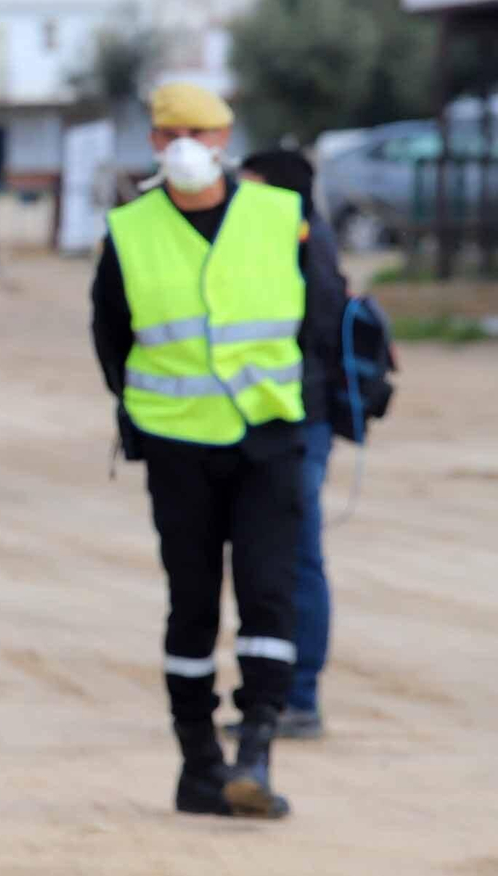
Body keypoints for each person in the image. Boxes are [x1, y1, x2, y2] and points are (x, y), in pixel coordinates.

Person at [89, 82, 341, 820]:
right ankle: (198, 761)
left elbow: (318, 320)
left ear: (227, 136)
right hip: (177, 444)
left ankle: (257, 747)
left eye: (201, 130)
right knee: (192, 602)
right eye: (171, 133)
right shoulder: (130, 229)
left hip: (269, 437)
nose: (186, 145)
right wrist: (143, 408)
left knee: (268, 591)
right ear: (155, 143)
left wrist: (304, 412)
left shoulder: (281, 216)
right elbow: (112, 335)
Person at [232, 149, 349, 740]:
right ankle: (279, 694)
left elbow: (312, 333)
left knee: (298, 557)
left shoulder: (306, 246)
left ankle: (299, 697)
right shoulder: (287, 241)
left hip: (300, 421)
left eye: (248, 185)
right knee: (272, 557)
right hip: (276, 419)